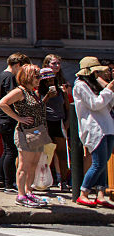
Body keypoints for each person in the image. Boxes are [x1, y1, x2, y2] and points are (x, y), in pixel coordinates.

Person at [0, 64, 52, 208]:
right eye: (37, 76)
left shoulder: (32, 92)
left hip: (37, 131)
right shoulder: (20, 91)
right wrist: (18, 118)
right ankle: (21, 194)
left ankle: (29, 191)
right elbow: (2, 103)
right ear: (28, 76)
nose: (39, 79)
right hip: (25, 131)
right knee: (24, 164)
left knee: (34, 163)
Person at [72, 57, 114, 208]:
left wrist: (108, 87)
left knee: (103, 164)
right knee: (98, 163)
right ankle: (83, 193)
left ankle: (101, 195)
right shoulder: (80, 85)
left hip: (107, 126)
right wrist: (108, 90)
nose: (99, 74)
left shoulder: (97, 84)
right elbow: (95, 104)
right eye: (96, 71)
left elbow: (111, 103)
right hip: (94, 128)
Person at [0, 53, 31, 193]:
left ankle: (1, 182)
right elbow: (9, 100)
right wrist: (19, 118)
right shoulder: (9, 77)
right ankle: (9, 184)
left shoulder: (2, 75)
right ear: (17, 65)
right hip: (7, 119)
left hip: (1, 118)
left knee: (6, 151)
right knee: (11, 151)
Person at [40, 53, 71, 190]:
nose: (50, 82)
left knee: (62, 153)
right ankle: (43, 181)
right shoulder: (38, 89)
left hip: (59, 122)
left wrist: (67, 122)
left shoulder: (61, 87)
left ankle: (63, 181)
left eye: (52, 80)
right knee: (45, 154)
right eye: (47, 80)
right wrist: (47, 95)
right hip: (46, 123)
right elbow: (37, 107)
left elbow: (67, 107)